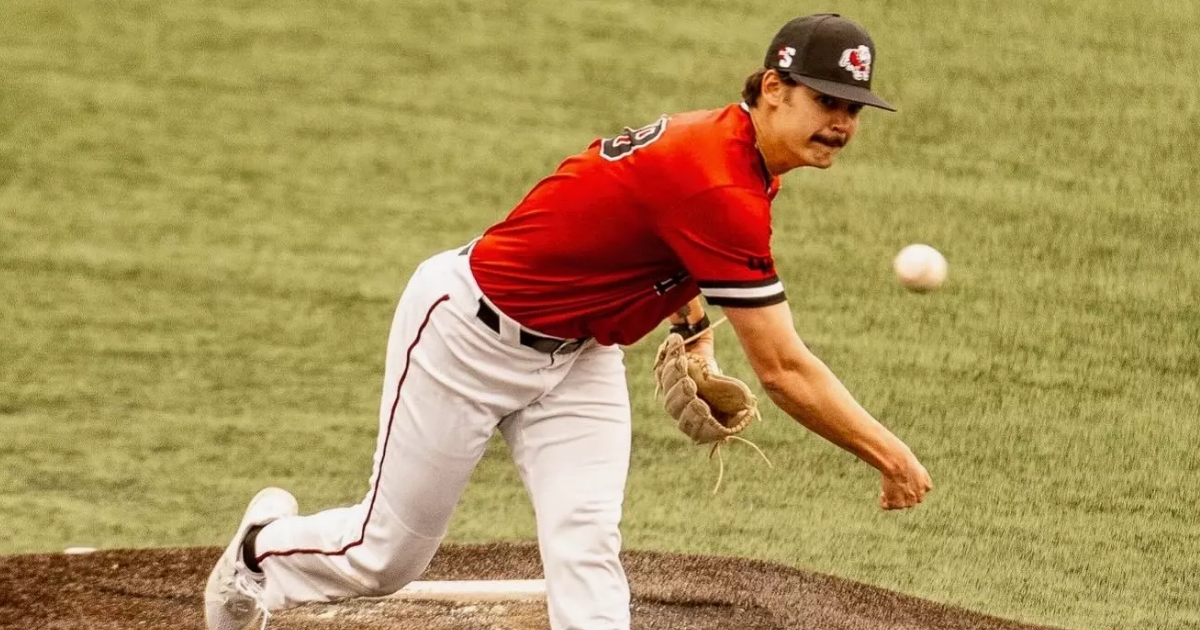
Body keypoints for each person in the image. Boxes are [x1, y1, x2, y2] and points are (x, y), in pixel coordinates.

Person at [204, 13, 933, 630]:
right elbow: (782, 368)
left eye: (853, 108)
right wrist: (887, 454)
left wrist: (688, 324)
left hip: (578, 357)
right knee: (385, 555)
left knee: (586, 542)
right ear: (773, 89)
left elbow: (641, 228)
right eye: (826, 100)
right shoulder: (717, 177)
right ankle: (258, 555)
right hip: (465, 336)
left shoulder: (731, 152)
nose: (841, 122)